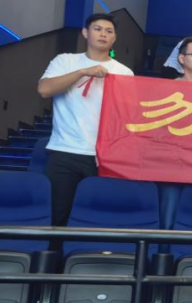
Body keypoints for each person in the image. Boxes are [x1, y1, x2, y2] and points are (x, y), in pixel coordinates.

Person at [38, 13, 135, 225]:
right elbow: (45, 89)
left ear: (115, 38)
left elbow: (125, 117)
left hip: (103, 156)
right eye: (97, 29)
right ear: (85, 32)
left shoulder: (124, 72)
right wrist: (83, 71)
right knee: (56, 216)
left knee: (97, 217)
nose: (103, 34)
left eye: (109, 31)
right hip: (64, 151)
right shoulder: (65, 61)